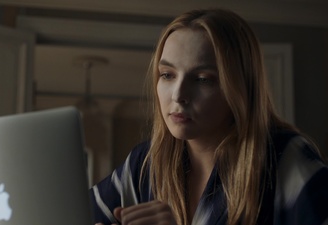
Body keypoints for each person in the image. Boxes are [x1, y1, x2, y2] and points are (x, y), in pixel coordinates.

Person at [90, 8, 328, 225]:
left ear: (239, 88)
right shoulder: (144, 165)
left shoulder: (285, 159)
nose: (179, 95)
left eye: (203, 79)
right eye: (167, 75)